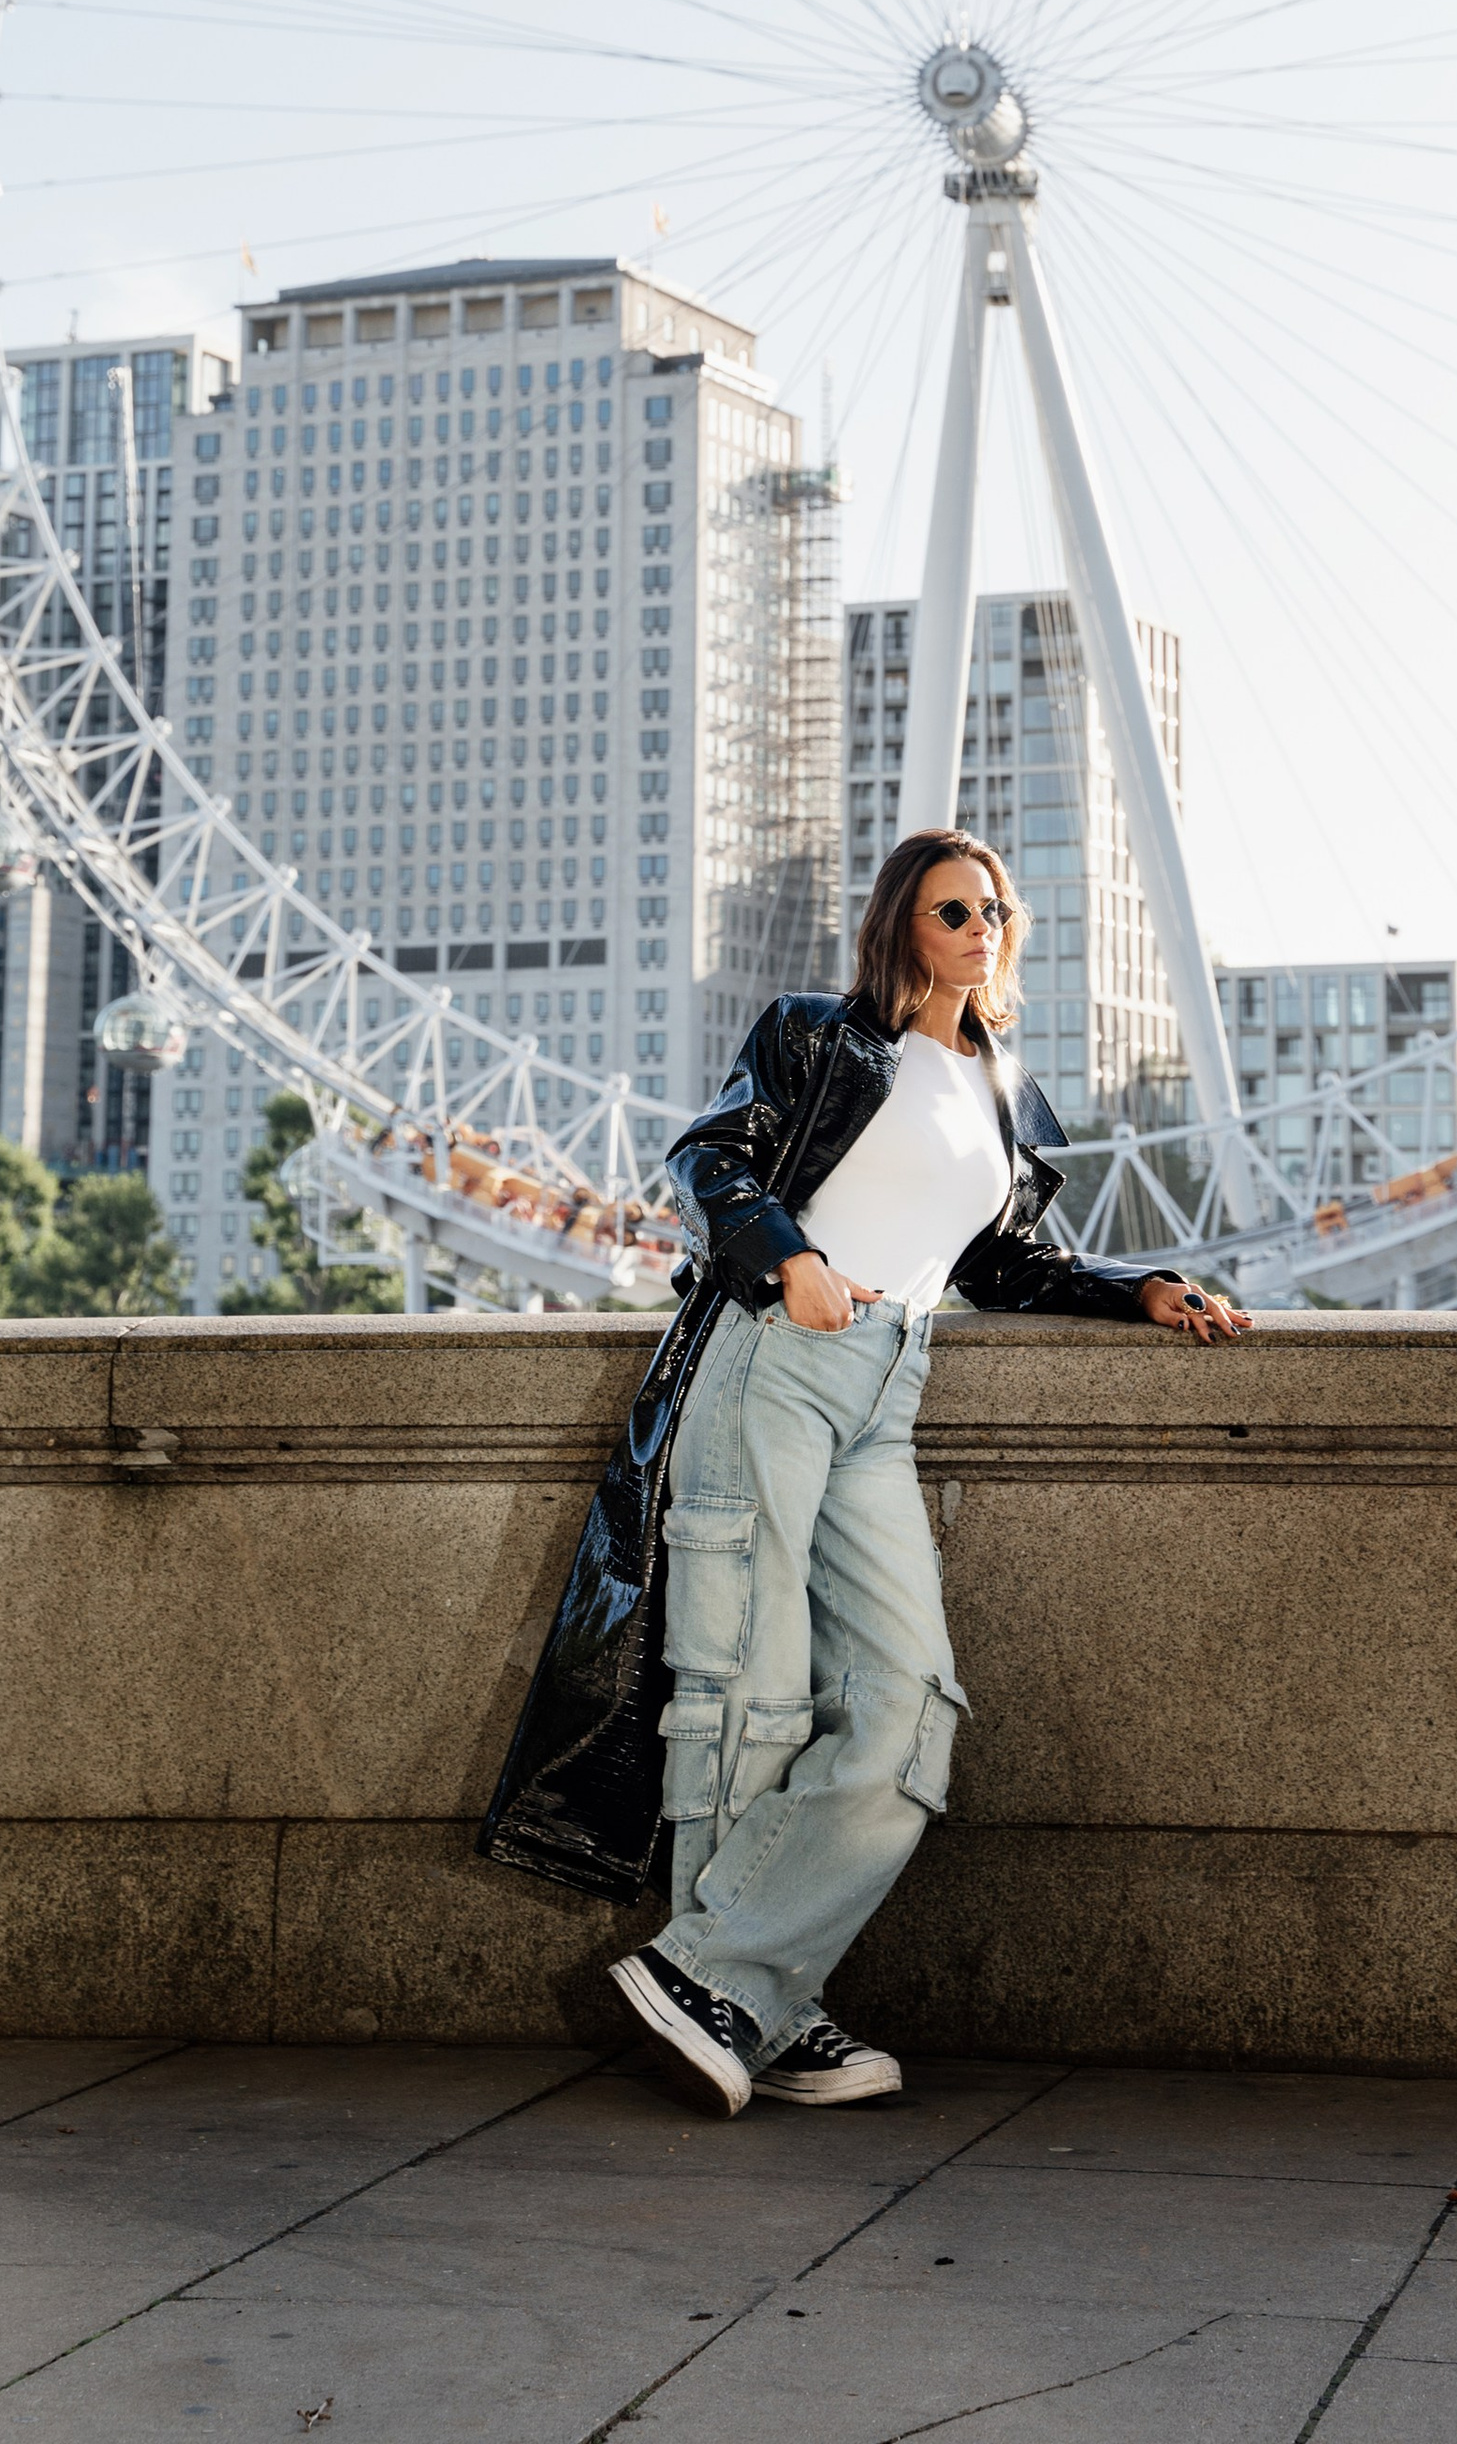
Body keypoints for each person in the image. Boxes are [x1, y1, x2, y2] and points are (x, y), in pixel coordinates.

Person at [478, 822, 1247, 2115]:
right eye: (952, 911)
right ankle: (759, 2005)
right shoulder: (817, 1036)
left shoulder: (1003, 1089)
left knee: (907, 1706)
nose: (980, 930)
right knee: (746, 1684)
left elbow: (1000, 1266)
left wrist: (1139, 1291)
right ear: (900, 924)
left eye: (994, 911)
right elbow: (708, 1159)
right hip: (776, 1359)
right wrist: (791, 1260)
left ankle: (723, 1978)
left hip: (892, 1385)